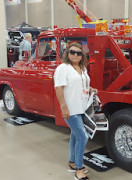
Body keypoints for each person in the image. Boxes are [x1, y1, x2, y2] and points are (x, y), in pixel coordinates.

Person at [54, 42, 97, 180]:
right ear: (67, 53)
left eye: (79, 53)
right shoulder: (63, 68)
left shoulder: (82, 68)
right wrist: (63, 107)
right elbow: (58, 88)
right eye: (72, 52)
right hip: (71, 109)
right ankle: (79, 169)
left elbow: (83, 83)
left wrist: (90, 89)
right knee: (82, 137)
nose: (75, 55)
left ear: (82, 55)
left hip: (82, 108)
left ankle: (72, 163)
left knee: (75, 135)